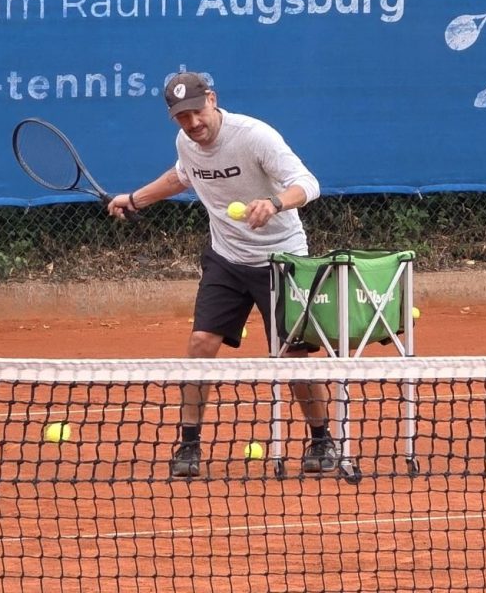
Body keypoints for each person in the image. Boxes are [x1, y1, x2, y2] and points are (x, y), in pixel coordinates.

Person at [108, 71, 335, 477]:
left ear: (211, 99)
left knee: (294, 355)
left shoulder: (254, 136)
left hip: (281, 259)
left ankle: (322, 440)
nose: (192, 123)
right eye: (182, 117)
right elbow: (181, 176)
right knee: (200, 343)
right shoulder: (186, 143)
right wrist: (135, 200)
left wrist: (275, 203)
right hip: (226, 259)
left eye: (197, 111)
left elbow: (307, 182)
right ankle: (189, 445)